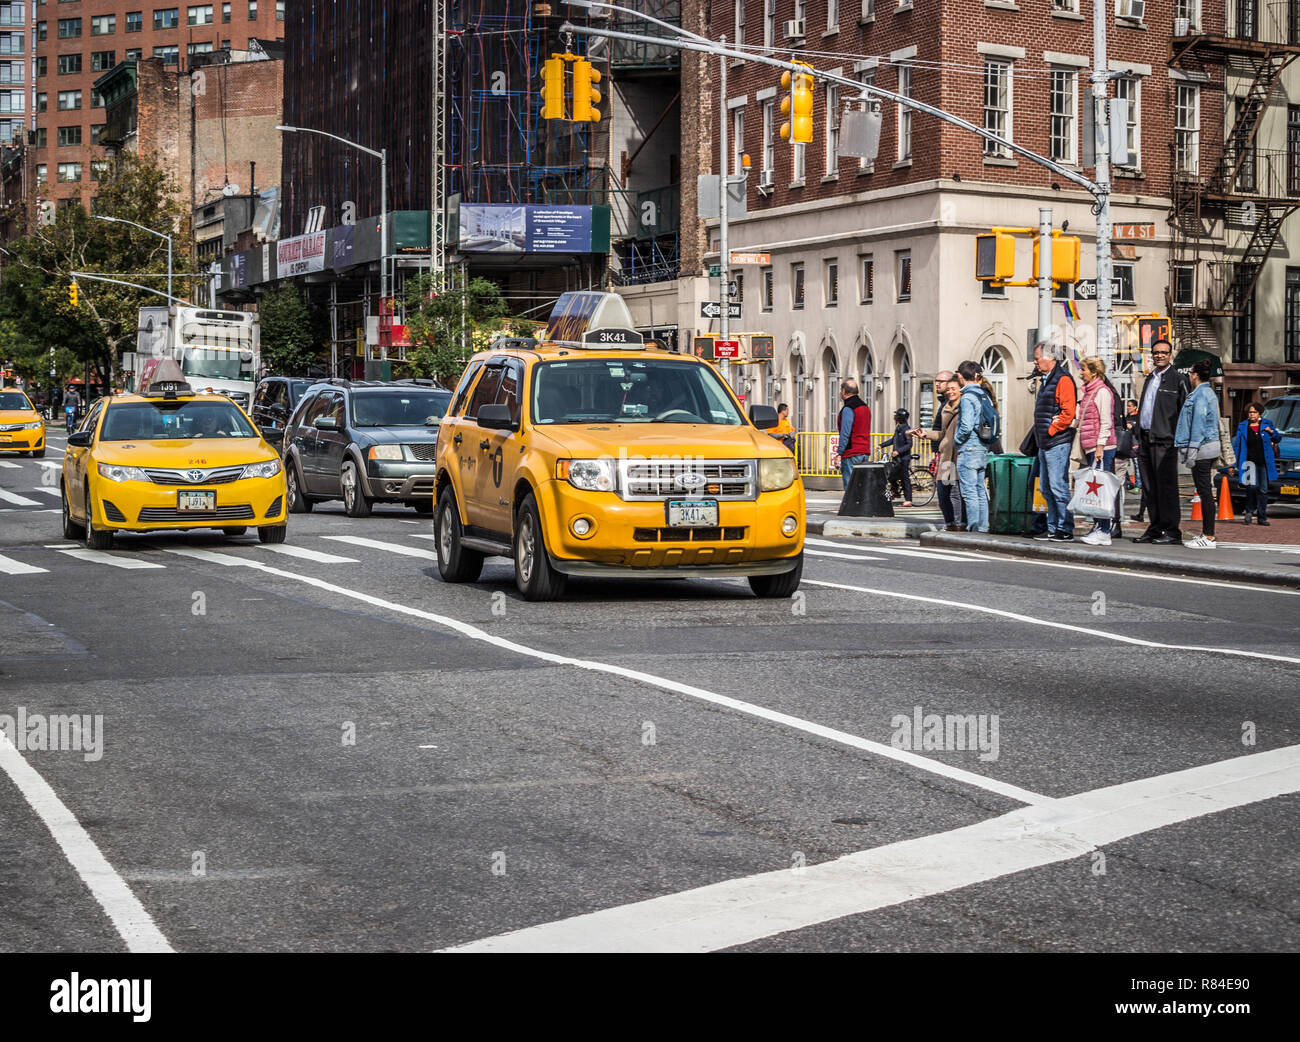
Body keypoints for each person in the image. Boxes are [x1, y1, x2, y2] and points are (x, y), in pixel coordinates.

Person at [1133, 338, 1190, 544]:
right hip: (1146, 439)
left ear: (1170, 354)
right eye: (1156, 352)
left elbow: (1185, 410)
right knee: (1149, 487)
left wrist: (1180, 438)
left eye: (1163, 352)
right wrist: (1137, 435)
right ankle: (1155, 527)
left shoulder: (1178, 379)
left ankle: (1172, 531)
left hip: (1166, 440)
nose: (1159, 355)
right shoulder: (1150, 378)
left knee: (1166, 486)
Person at [1030, 341, 1078, 542]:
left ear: (1050, 358)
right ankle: (1053, 527)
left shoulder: (1062, 379)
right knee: (1047, 488)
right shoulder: (1048, 379)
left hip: (1056, 441)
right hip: (1046, 442)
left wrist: (1050, 430)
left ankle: (1064, 528)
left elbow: (1068, 413)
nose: (1035, 361)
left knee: (1058, 486)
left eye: (1037, 357)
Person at [1174, 357, 1222, 549]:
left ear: (1194, 375)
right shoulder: (1205, 393)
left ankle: (1209, 536)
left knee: (1204, 492)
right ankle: (1206, 533)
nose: (1189, 376)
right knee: (1204, 491)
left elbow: (1199, 424)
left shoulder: (1201, 395)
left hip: (1203, 448)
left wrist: (1191, 451)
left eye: (1190, 373)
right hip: (1205, 447)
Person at [913, 371, 965, 530]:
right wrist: (925, 434)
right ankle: (950, 524)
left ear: (960, 389)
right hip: (946, 456)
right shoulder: (945, 408)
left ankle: (961, 524)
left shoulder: (964, 407)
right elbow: (943, 433)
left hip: (958, 456)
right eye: (948, 388)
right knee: (943, 492)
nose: (949, 391)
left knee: (956, 493)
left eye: (953, 388)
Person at [1077, 356, 1118, 546]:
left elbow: (1106, 421)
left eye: (1084, 369)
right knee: (1095, 491)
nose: (1081, 373)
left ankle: (1104, 530)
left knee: (1100, 490)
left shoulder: (1102, 392)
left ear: (1094, 372)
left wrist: (1101, 445)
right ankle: (1098, 527)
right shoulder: (1089, 392)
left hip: (1101, 447)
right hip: (1091, 445)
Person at [952, 360, 994, 532]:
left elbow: (966, 426)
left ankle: (974, 527)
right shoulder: (985, 396)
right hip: (983, 447)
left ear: (960, 377)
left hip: (969, 448)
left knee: (969, 492)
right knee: (980, 490)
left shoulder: (967, 397)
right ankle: (983, 527)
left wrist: (957, 441)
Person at [1232, 401, 1284, 526]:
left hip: (1263, 463)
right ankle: (1249, 512)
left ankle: (1262, 517)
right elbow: (1237, 446)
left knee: (1263, 490)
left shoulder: (1267, 424)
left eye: (1254, 412)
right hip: (1249, 462)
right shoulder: (1243, 426)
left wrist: (1272, 432)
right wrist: (1233, 465)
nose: (1251, 414)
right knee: (1251, 487)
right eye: (1250, 412)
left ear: (1259, 413)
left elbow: (1277, 439)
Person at [829, 379, 872, 489]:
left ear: (844, 391)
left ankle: (852, 506)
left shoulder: (848, 408)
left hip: (851, 452)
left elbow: (845, 433)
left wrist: (839, 453)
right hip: (864, 451)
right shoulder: (865, 407)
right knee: (861, 486)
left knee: (850, 487)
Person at [885, 407, 914, 506]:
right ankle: (896, 492)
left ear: (900, 417)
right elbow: (893, 440)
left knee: (905, 478)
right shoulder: (898, 428)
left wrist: (898, 451)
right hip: (897, 459)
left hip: (904, 458)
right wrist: (881, 445)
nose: (894, 417)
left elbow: (909, 444)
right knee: (891, 474)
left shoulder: (907, 430)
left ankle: (908, 500)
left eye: (896, 415)